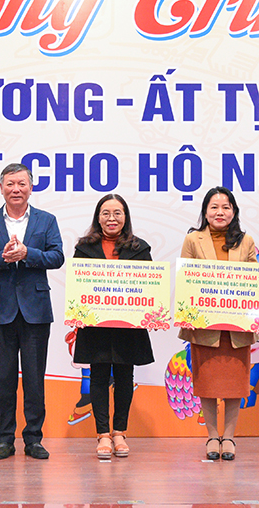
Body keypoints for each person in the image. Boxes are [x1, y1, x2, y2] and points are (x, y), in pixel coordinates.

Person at [0, 163, 64, 460]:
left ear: (31, 187)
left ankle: (34, 438)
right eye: (10, 184)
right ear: (1, 187)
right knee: (5, 379)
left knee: (35, 379)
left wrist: (28, 254)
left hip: (36, 311)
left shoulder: (46, 220)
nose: (16, 189)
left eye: (22, 184)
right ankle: (4, 439)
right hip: (1, 311)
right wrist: (2, 257)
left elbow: (57, 256)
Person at [71, 194, 155, 459]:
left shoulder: (139, 248)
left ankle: (120, 432)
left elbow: (149, 286)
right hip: (95, 326)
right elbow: (78, 286)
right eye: (106, 213)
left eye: (117, 213)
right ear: (98, 217)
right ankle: (103, 435)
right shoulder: (84, 247)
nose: (111, 219)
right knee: (97, 377)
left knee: (123, 378)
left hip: (127, 327)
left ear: (125, 217)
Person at [179, 186, 257, 462]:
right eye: (214, 207)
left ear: (234, 212)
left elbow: (256, 282)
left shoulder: (246, 241)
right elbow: (185, 279)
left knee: (235, 384)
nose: (220, 212)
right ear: (205, 212)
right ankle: (212, 436)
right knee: (207, 383)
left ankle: (231, 437)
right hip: (205, 326)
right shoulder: (193, 240)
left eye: (226, 207)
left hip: (237, 326)